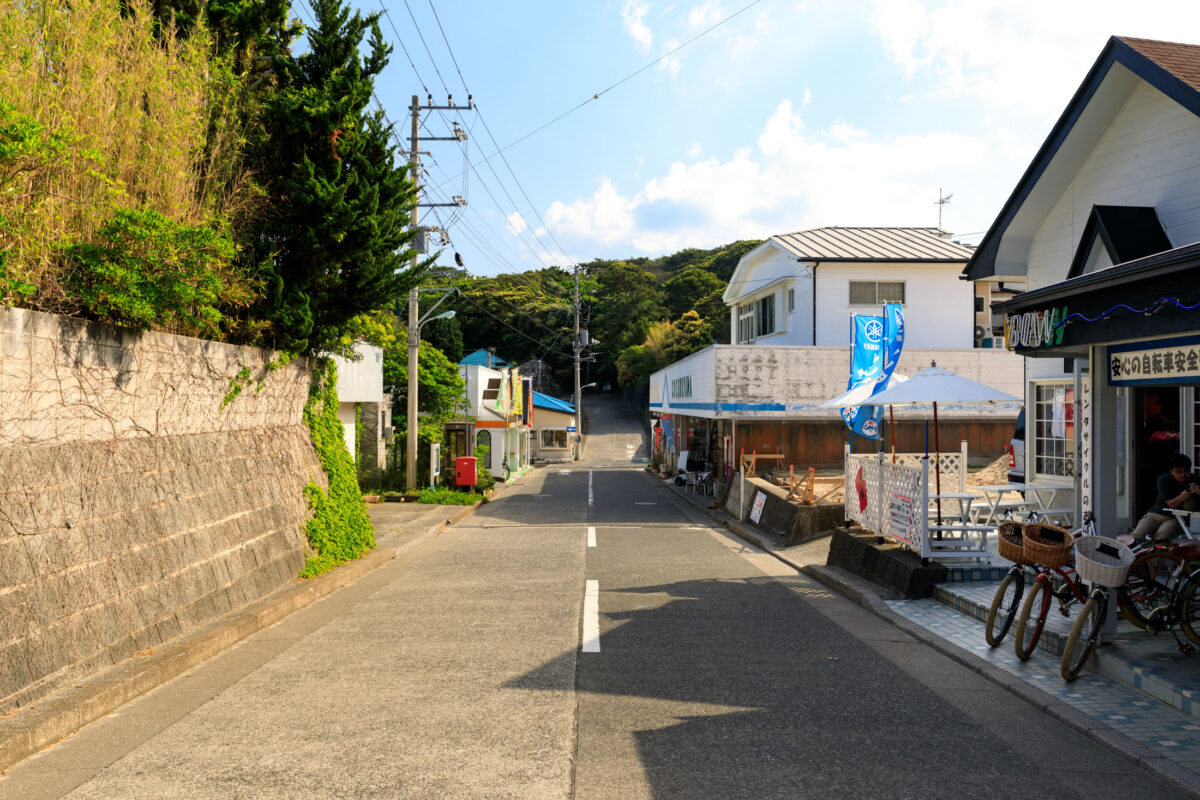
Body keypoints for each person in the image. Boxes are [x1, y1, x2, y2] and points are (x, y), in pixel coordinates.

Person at [1131, 453, 1200, 542]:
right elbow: (1171, 504)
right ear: (1172, 471)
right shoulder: (1164, 479)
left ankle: (1158, 555)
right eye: (1178, 472)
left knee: (1160, 538)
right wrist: (1182, 497)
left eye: (1186, 471)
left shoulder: (1195, 479)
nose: (1183, 475)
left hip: (1178, 519)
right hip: (1156, 513)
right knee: (1137, 536)